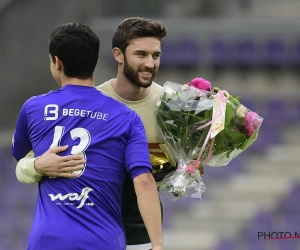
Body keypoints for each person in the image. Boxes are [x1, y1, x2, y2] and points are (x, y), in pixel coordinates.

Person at [16, 17, 204, 250]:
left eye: (156, 55)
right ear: (118, 55)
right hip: (102, 229)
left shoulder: (172, 108)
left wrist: (188, 167)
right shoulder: (95, 102)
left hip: (139, 233)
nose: (150, 63)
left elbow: (171, 171)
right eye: (141, 54)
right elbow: (36, 159)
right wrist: (36, 166)